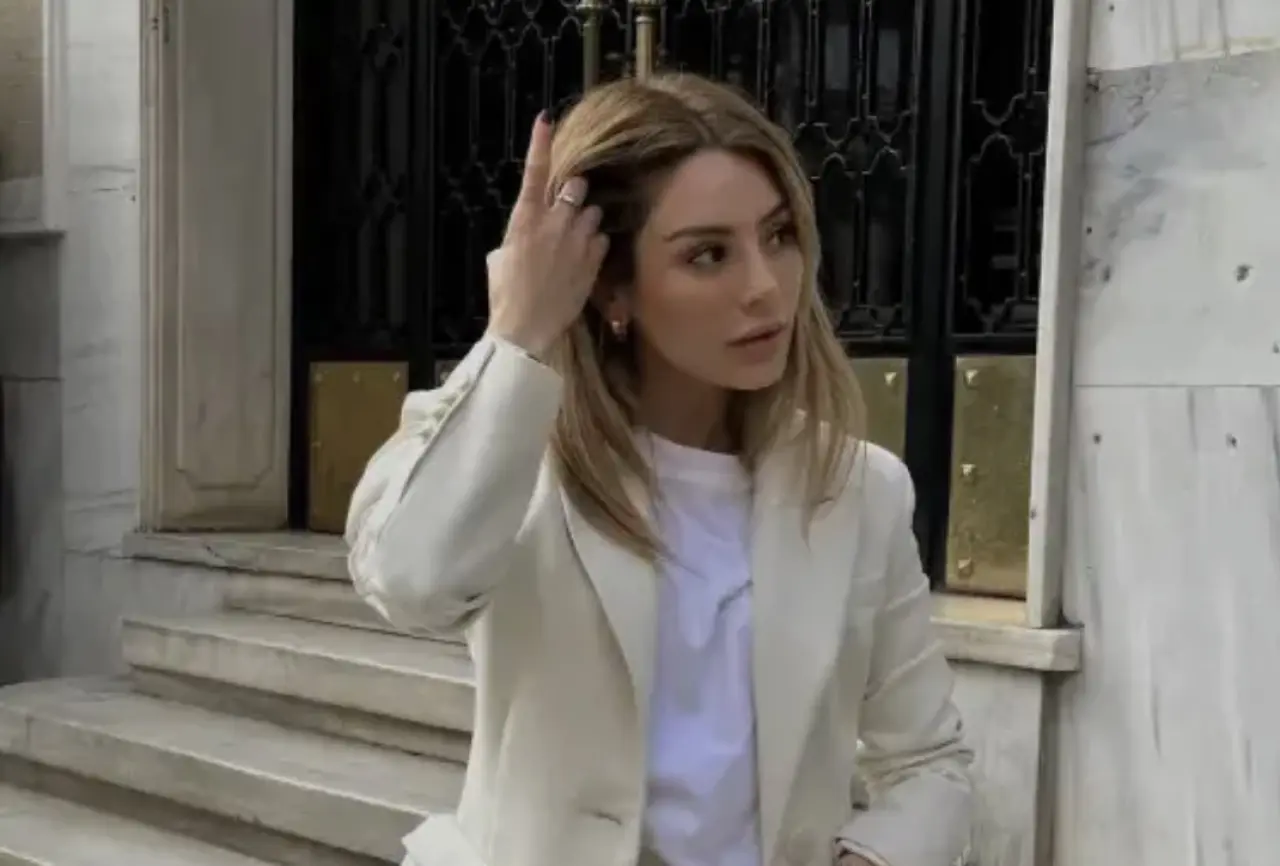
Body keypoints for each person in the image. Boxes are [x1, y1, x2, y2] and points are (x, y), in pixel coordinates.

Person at [346, 73, 973, 866]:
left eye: (778, 235)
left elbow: (929, 763)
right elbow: (412, 584)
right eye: (708, 254)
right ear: (611, 288)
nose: (764, 287)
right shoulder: (520, 460)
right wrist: (517, 333)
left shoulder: (860, 488)